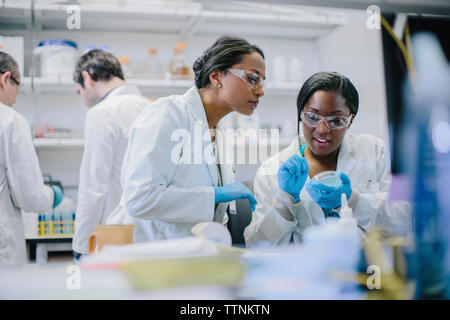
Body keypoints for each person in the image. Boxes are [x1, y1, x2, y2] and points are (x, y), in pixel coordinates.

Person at [106, 35, 265, 243]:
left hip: (190, 258)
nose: (260, 91)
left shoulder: (219, 132)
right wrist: (214, 194)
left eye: (262, 82)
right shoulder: (168, 114)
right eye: (252, 78)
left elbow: (209, 213)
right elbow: (140, 198)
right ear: (216, 77)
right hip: (147, 256)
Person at [244, 71, 412, 247]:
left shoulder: (376, 152)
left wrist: (355, 201)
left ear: (351, 120)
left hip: (368, 270)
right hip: (304, 271)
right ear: (301, 115)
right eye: (313, 117)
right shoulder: (270, 171)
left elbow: (406, 216)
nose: (322, 129)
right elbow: (255, 245)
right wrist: (284, 202)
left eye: (336, 120)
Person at [71, 50, 149, 258]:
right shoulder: (151, 106)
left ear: (87, 78)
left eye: (80, 92)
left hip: (115, 233)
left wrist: (80, 245)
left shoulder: (101, 112)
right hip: (151, 232)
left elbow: (93, 187)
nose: (85, 101)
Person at [0, 52, 64, 264]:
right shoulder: (10, 120)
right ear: (5, 79)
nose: (16, 96)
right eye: (17, 85)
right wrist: (50, 196)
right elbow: (29, 194)